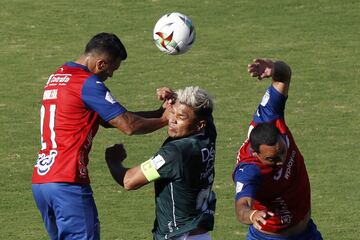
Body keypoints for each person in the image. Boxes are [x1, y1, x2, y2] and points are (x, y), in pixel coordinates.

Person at [32, 32, 173, 240]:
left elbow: (109, 119)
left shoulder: (59, 76)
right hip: (68, 181)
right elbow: (128, 126)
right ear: (101, 63)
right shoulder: (87, 83)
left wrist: (157, 113)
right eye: (111, 70)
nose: (111, 76)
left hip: (43, 183)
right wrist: (165, 120)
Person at [105, 86, 217, 240]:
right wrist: (174, 96)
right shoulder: (208, 133)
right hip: (200, 233)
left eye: (181, 117)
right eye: (172, 112)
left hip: (178, 235)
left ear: (199, 124)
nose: (172, 120)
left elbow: (129, 181)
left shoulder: (176, 152)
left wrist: (113, 161)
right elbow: (202, 108)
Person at [232, 59, 323, 239]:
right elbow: (241, 205)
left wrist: (274, 68)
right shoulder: (249, 170)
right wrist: (251, 215)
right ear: (257, 154)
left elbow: (284, 77)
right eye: (272, 160)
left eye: (282, 151)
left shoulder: (270, 116)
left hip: (308, 232)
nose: (281, 161)